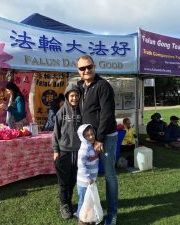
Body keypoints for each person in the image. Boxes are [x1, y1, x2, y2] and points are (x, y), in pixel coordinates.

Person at [77, 55, 118, 225]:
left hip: (105, 137)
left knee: (109, 176)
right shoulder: (81, 87)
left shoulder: (103, 86)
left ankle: (112, 213)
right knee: (86, 175)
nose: (86, 71)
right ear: (78, 71)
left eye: (89, 67)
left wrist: (99, 139)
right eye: (82, 68)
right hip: (89, 139)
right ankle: (86, 211)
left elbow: (107, 114)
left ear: (95, 67)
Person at [52, 84, 82, 220]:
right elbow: (55, 133)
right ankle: (64, 205)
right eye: (72, 96)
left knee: (73, 180)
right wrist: (56, 150)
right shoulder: (61, 112)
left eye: (76, 95)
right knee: (63, 181)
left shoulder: (83, 111)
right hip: (64, 151)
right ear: (67, 97)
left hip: (79, 152)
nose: (74, 98)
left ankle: (68, 201)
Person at [76, 124, 99, 225]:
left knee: (89, 201)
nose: (91, 137)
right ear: (83, 137)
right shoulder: (84, 148)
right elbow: (81, 165)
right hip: (84, 181)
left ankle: (88, 217)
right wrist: (88, 177)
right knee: (83, 201)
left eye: (92, 134)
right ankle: (81, 220)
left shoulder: (92, 146)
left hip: (91, 180)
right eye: (88, 135)